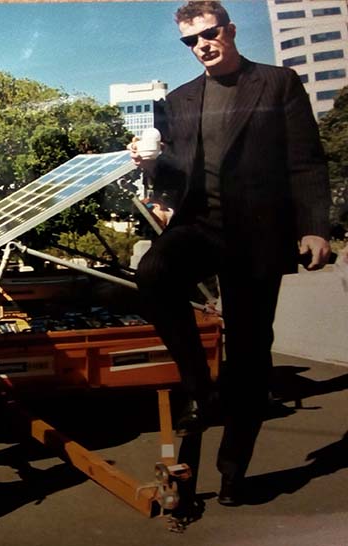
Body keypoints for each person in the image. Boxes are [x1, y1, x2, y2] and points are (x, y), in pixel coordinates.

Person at [130, 1, 331, 506]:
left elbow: (306, 161)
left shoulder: (277, 83)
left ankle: (233, 470)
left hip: (259, 232)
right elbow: (173, 180)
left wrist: (314, 228)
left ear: (231, 29)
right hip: (201, 224)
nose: (202, 45)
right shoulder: (177, 100)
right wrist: (148, 165)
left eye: (210, 33)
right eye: (191, 41)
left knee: (248, 351)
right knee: (152, 275)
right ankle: (202, 390)